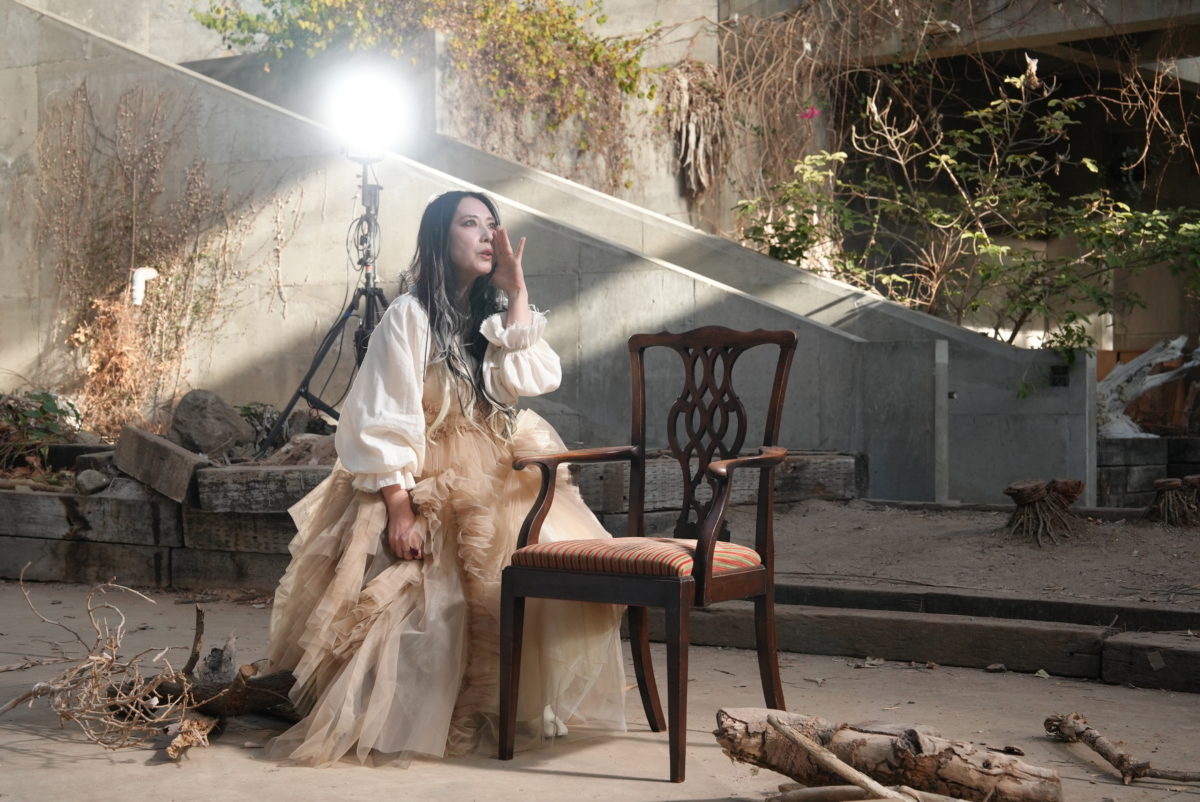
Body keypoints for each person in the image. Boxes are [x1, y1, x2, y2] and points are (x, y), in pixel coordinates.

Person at [263, 190, 627, 766]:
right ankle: (436, 706)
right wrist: (399, 507)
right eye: (470, 224)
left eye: (492, 225)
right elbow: (382, 416)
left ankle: (515, 697)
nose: (487, 235)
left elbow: (535, 378)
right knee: (436, 594)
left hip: (496, 467)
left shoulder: (493, 321)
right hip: (423, 473)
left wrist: (517, 291)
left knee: (550, 554)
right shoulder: (408, 315)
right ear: (440, 236)